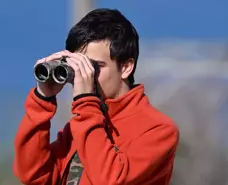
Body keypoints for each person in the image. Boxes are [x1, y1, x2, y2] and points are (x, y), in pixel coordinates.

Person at [13, 8, 179, 185]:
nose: (86, 74)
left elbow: (110, 180)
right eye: (79, 66)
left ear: (126, 67)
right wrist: (43, 99)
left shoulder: (158, 130)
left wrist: (85, 101)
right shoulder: (84, 123)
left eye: (94, 66)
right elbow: (33, 174)